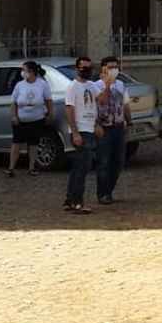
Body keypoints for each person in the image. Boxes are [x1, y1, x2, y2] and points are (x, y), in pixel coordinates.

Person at [64, 56, 102, 214]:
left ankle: (70, 199)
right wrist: (75, 132)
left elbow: (101, 101)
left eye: (89, 67)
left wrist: (107, 82)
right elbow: (69, 109)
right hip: (81, 130)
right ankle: (77, 202)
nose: (87, 70)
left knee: (79, 167)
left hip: (90, 128)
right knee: (82, 167)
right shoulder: (73, 87)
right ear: (77, 68)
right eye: (83, 67)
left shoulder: (92, 85)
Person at [94, 56, 132, 205]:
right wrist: (108, 84)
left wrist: (129, 121)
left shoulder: (121, 84)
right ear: (103, 69)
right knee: (104, 161)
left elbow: (125, 104)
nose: (113, 70)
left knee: (118, 161)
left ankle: (108, 190)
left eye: (116, 67)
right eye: (110, 67)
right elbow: (101, 101)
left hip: (118, 126)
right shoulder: (96, 85)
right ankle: (102, 193)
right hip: (104, 127)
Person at [6, 61, 53, 177]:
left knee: (33, 144)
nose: (22, 73)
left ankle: (32, 167)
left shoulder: (42, 84)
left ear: (31, 72)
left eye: (24, 70)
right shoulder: (19, 85)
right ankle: (11, 168)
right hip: (20, 120)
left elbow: (48, 100)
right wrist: (14, 116)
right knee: (16, 143)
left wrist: (50, 114)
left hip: (37, 119)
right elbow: (13, 102)